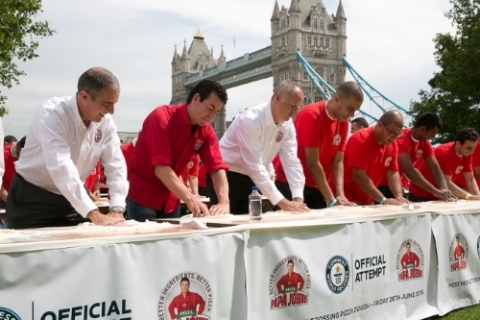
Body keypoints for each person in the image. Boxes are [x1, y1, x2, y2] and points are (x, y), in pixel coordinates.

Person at [7, 67, 128, 229]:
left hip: (74, 199)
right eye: (106, 103)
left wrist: (117, 208)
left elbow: (116, 165)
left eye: (114, 104)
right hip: (32, 198)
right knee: (31, 253)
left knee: (83, 250)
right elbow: (60, 166)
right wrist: (92, 212)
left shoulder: (106, 123)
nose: (111, 111)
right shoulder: (52, 114)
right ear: (84, 96)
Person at [127, 80, 230, 221]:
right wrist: (191, 199)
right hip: (143, 194)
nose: (212, 117)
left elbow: (217, 168)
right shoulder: (161, 117)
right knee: (146, 242)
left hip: (172, 196)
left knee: (172, 242)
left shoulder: (207, 132)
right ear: (195, 99)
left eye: (216, 112)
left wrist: (224, 202)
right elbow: (161, 168)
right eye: (210, 108)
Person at [215, 80, 309, 214]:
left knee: (251, 225)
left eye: (297, 107)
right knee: (226, 226)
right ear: (278, 97)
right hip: (227, 175)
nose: (294, 112)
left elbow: (292, 162)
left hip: (254, 179)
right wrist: (283, 203)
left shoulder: (288, 125)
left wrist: (297, 199)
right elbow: (254, 165)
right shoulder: (251, 120)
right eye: (292, 105)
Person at [275, 81, 363, 208]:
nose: (352, 115)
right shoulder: (312, 115)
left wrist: (340, 194)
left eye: (355, 110)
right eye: (350, 108)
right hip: (290, 184)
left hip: (316, 185)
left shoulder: (343, 122)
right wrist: (331, 200)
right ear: (337, 99)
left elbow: (338, 161)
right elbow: (313, 164)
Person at [335, 110, 409, 205]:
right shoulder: (361, 139)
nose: (393, 137)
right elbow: (358, 175)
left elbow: (392, 173)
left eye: (397, 134)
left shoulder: (392, 144)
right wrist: (383, 200)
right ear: (380, 125)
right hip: (344, 198)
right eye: (391, 132)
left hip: (367, 198)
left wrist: (399, 196)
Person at [377, 112, 456, 201]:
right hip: (381, 185)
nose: (433, 137)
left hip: (396, 185)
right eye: (432, 134)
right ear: (422, 129)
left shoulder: (424, 143)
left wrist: (445, 191)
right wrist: (435, 191)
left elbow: (436, 169)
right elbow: (409, 170)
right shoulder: (402, 139)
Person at [409, 128, 480, 202]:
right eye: (469, 148)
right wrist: (468, 196)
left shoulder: (467, 153)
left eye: (474, 148)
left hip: (441, 194)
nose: (472, 151)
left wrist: (478, 196)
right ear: (458, 144)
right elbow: (446, 182)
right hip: (422, 194)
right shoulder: (444, 153)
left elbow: (470, 179)